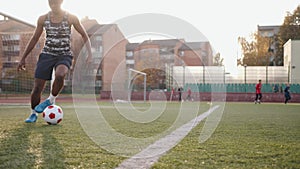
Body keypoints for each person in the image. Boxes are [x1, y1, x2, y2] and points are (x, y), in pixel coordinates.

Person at [17, 0, 92, 123]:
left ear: (61, 2)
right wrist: (23, 58)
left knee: (60, 74)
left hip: (64, 55)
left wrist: (90, 53)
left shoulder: (71, 18)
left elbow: (84, 35)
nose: (53, 5)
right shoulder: (43, 19)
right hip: (47, 55)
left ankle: (50, 100)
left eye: (56, 3)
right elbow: (35, 38)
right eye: (51, 3)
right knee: (37, 88)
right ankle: (33, 114)